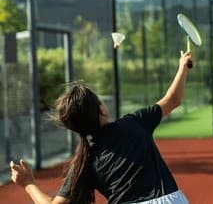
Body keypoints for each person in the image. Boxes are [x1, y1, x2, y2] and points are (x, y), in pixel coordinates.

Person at [10, 50, 194, 204]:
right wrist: (182, 67)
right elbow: (173, 99)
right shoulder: (134, 122)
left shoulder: (84, 161)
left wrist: (28, 183)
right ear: (102, 110)